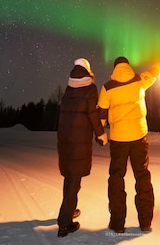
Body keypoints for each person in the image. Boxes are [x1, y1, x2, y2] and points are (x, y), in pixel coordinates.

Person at [98, 56, 160, 233]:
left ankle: (117, 223)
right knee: (142, 176)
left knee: (116, 178)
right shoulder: (139, 80)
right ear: (128, 66)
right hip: (139, 136)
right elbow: (153, 73)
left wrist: (100, 134)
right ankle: (145, 222)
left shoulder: (107, 88)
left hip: (118, 139)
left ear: (115, 69)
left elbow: (101, 114)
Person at [56, 58, 108, 238]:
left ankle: (69, 210)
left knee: (70, 177)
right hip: (79, 141)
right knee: (74, 181)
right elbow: (93, 114)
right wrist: (100, 134)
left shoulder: (69, 90)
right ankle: (65, 223)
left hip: (65, 140)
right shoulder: (89, 89)